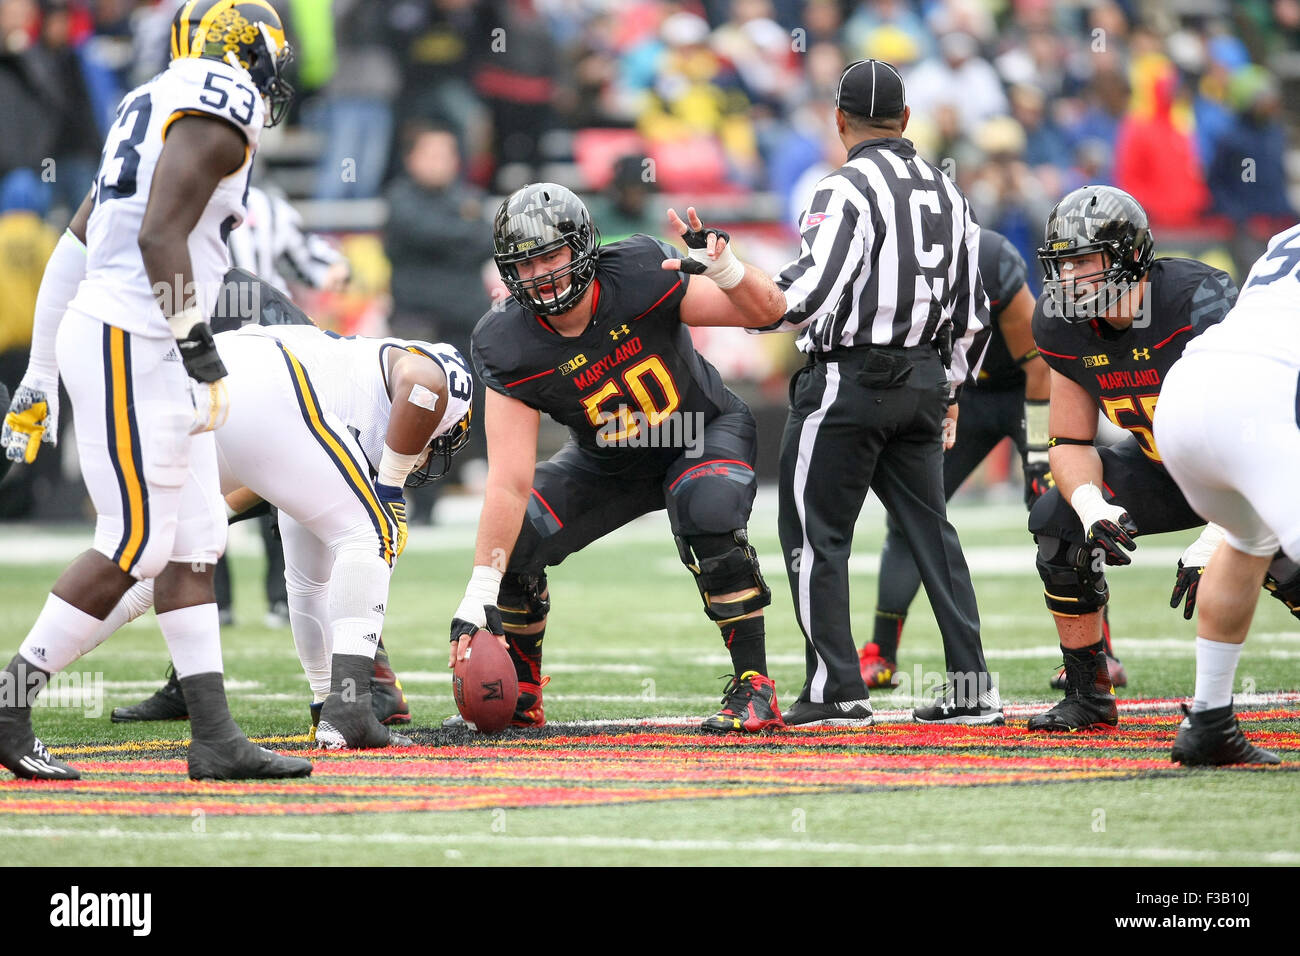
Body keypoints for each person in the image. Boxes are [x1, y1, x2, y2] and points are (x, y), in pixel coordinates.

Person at [0, 0, 309, 780]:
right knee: (134, 542)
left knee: (196, 540)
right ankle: (7, 702)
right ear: (245, 48)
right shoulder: (221, 101)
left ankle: (214, 736)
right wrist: (198, 346)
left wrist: (41, 370)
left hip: (135, 337)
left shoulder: (152, 96)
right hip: (134, 339)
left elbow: (77, 241)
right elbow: (157, 236)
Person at [446, 182, 786, 734]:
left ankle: (756, 687)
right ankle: (523, 692)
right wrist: (480, 587)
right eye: (525, 265)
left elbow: (771, 313)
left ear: (583, 246)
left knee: (709, 508)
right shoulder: (505, 342)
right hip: (609, 461)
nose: (541, 275)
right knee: (517, 539)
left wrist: (727, 271)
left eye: (551, 255)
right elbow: (508, 483)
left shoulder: (638, 271)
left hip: (697, 431)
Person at [74, 285, 474, 750]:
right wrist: (389, 488)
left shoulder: (345, 411)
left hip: (222, 383)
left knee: (152, 557)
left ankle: (20, 684)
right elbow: (424, 384)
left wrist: (215, 513)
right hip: (265, 379)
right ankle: (349, 712)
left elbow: (273, 470)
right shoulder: (437, 382)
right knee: (371, 533)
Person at [728, 59, 1000, 726]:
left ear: (839, 120)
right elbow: (976, 311)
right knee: (932, 533)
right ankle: (973, 689)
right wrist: (952, 390)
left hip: (849, 381)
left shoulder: (843, 188)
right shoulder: (948, 193)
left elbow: (805, 296)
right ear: (907, 120)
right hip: (927, 379)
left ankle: (836, 688)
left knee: (814, 534)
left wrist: (735, 275)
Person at [1026, 184, 1240, 732]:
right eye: (1062, 265)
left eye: (1083, 262)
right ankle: (1089, 695)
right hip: (1166, 464)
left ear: (1129, 256)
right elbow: (1070, 442)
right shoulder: (1062, 325)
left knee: (1283, 566)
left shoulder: (1197, 301)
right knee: (1057, 518)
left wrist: (1223, 533)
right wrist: (1092, 504)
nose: (1069, 279)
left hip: (1251, 466)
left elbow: (1251, 429)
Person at [862, 227, 1055, 688]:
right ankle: (880, 653)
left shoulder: (992, 261)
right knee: (911, 513)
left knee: (1055, 507)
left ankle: (1097, 656)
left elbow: (1038, 367)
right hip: (956, 394)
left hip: (1021, 391)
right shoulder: (893, 269)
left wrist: (1036, 456)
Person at [1153, 224, 1300, 765]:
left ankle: (1209, 720)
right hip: (1262, 396)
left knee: (1248, 539)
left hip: (1187, 391)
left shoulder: (1286, 237)